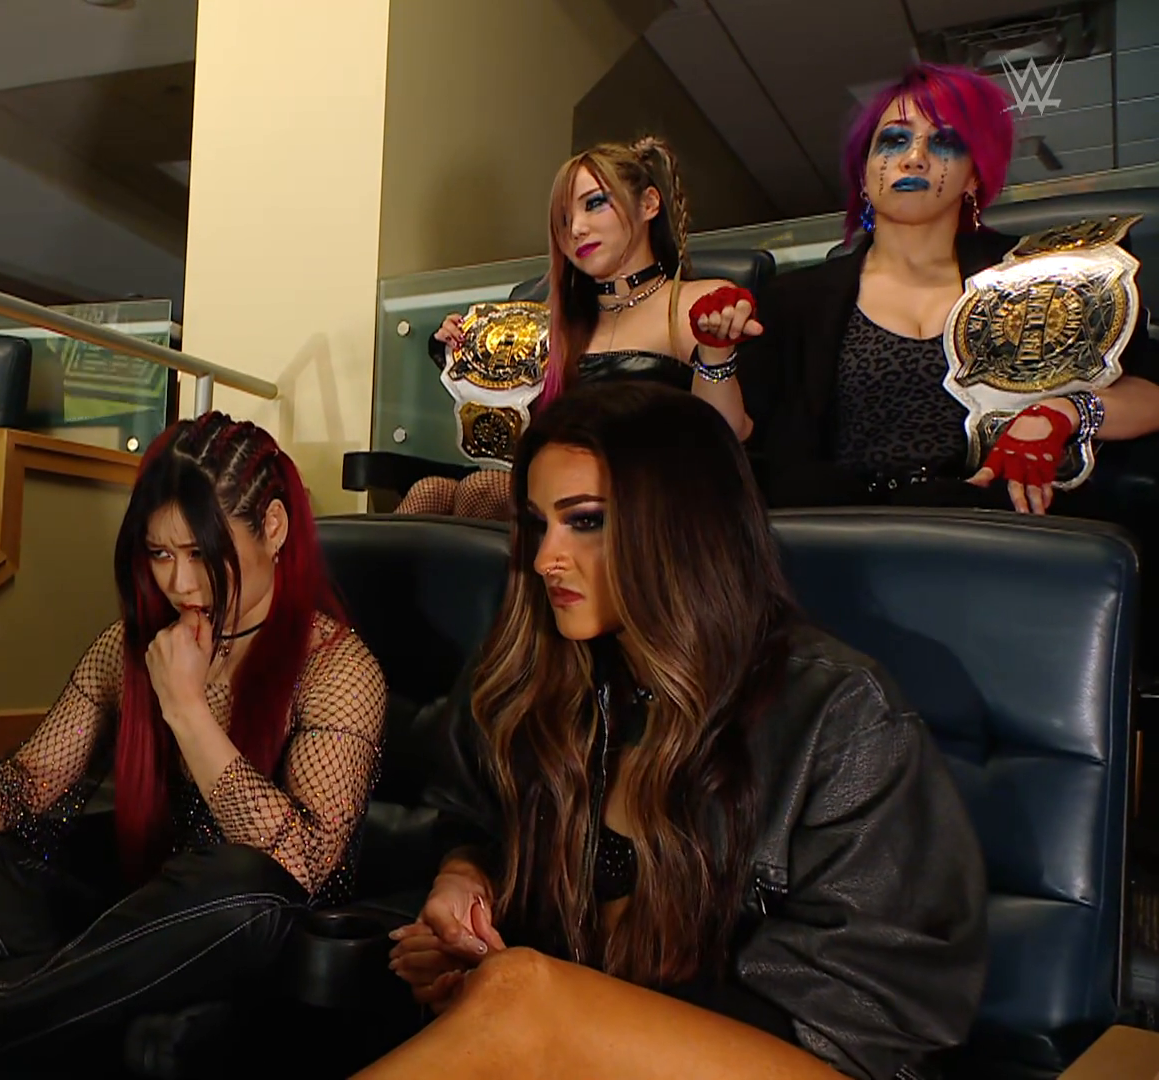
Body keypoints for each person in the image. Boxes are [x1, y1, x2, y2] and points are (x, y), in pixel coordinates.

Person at [368, 382, 985, 1080]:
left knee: (519, 991)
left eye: (586, 521)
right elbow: (469, 818)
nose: (545, 559)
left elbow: (864, 1011)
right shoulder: (537, 678)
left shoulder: (842, 713)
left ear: (682, 527)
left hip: (804, 1056)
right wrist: (464, 888)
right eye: (539, 525)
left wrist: (549, 1013)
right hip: (593, 1053)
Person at [0, 412, 388, 1074]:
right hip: (135, 927)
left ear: (272, 528)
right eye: (161, 555)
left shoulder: (337, 667)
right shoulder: (131, 648)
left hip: (252, 939)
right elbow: (32, 782)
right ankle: (47, 1008)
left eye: (201, 554)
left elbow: (300, 864)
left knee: (243, 887)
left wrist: (186, 709)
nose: (180, 584)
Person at [741, 62, 1159, 515]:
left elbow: (1150, 393)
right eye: (894, 140)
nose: (915, 157)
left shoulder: (1043, 276)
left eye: (944, 142)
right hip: (843, 538)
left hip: (996, 531)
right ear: (864, 173)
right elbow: (736, 439)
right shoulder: (793, 301)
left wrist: (1066, 412)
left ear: (974, 176)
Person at [399, 137, 759, 521]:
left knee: (484, 489)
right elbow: (510, 434)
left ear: (649, 204)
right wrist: (462, 352)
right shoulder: (552, 322)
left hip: (653, 500)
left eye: (594, 203)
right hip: (562, 486)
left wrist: (716, 350)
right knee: (429, 491)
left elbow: (726, 434)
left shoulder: (698, 302)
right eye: (564, 220)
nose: (576, 229)